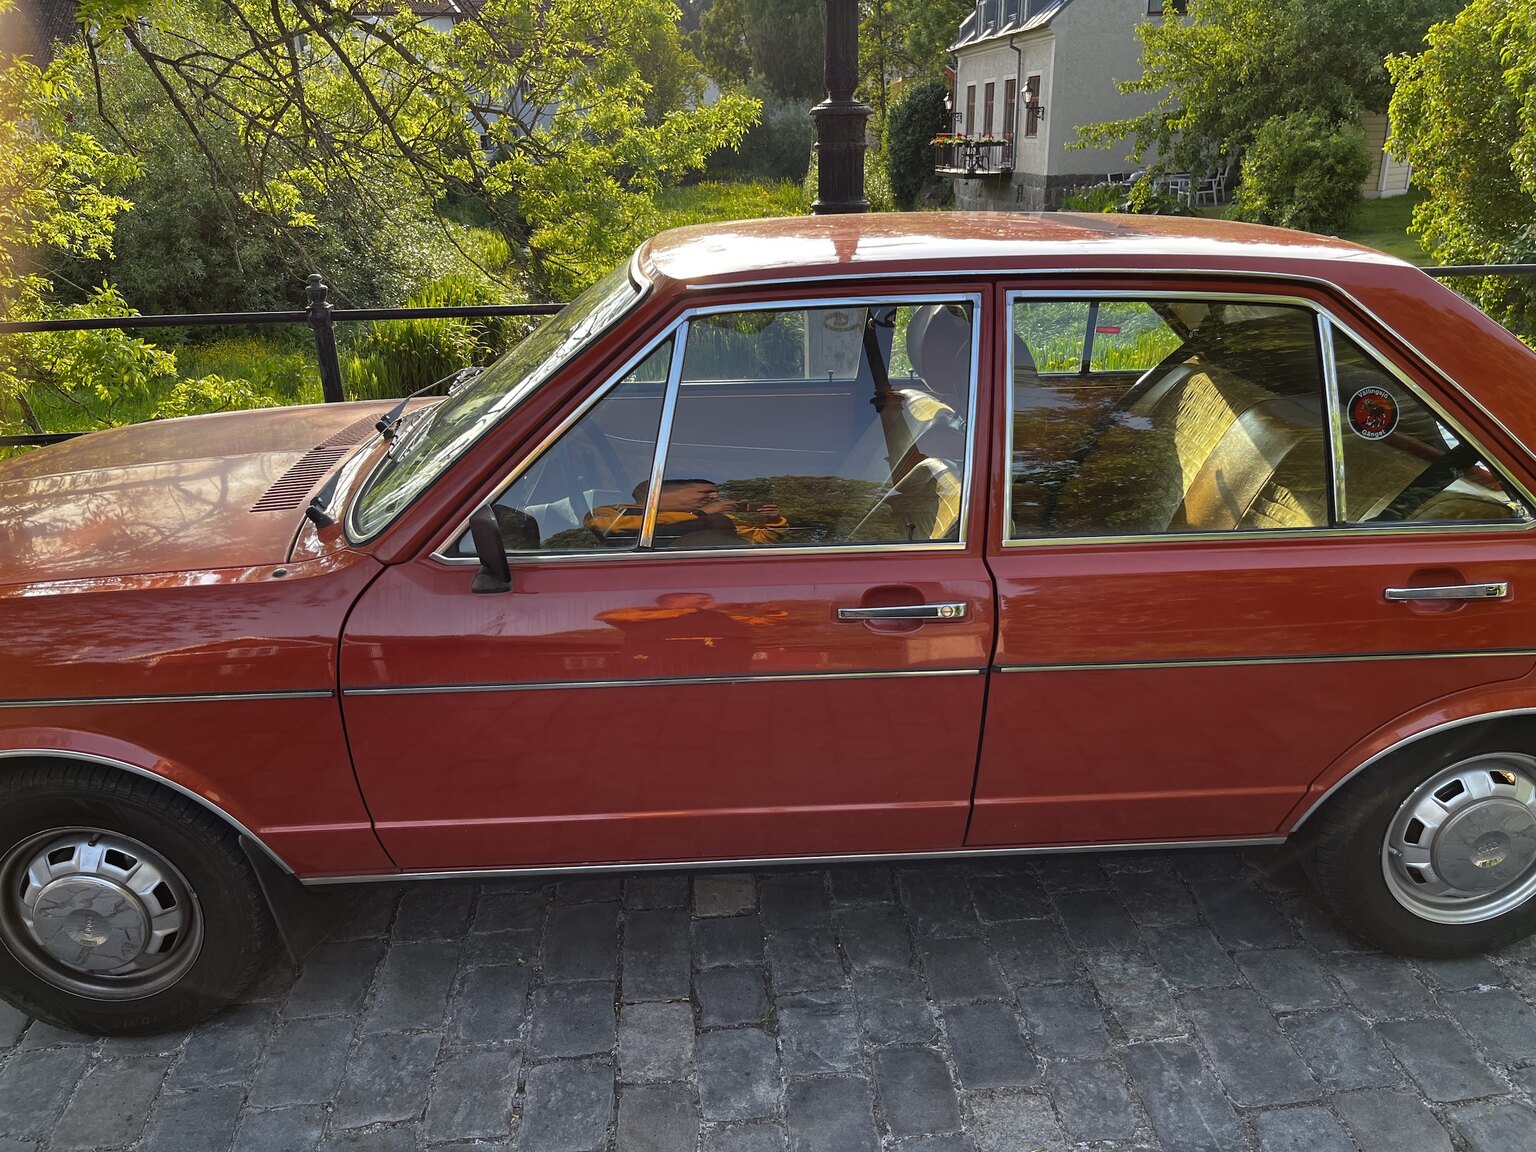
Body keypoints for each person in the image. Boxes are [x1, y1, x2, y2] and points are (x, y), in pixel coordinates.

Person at [585, 478, 788, 547]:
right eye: (706, 492)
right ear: (661, 493)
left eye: (716, 493)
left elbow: (762, 541)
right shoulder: (612, 511)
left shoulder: (722, 518)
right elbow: (607, 527)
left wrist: (774, 520)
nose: (714, 497)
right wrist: (697, 516)